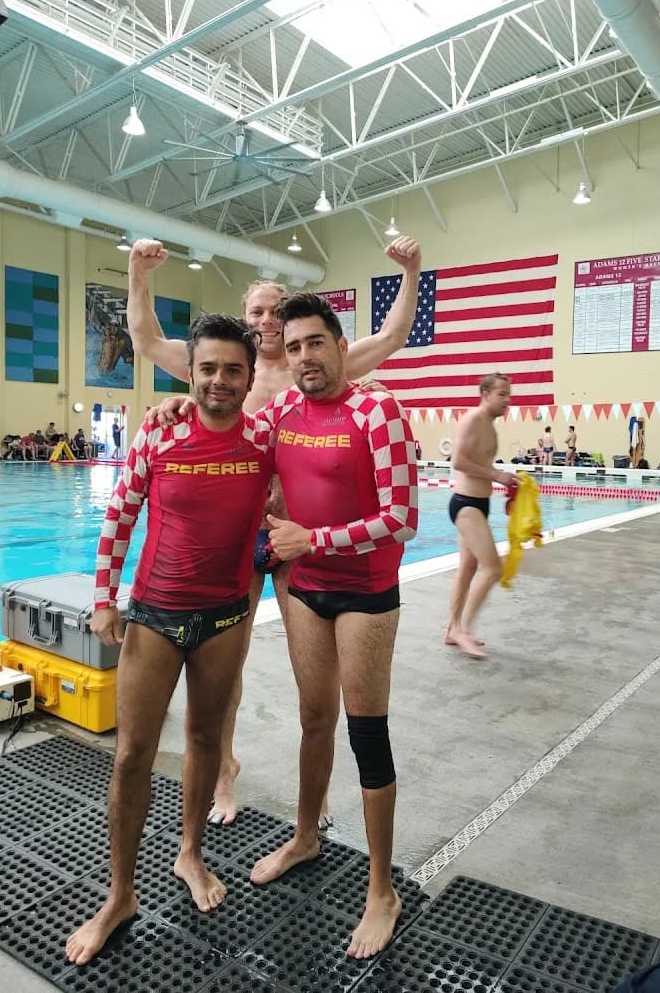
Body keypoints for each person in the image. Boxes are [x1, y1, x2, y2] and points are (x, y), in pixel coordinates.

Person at [126, 235, 421, 826]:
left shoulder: (310, 366)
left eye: (274, 309)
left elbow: (390, 337)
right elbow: (145, 339)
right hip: (242, 535)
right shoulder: (229, 369)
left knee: (310, 677)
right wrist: (138, 275)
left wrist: (411, 273)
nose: (266, 320)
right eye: (256, 311)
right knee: (224, 665)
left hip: (295, 541)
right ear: (245, 319)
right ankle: (225, 770)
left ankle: (313, 796)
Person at [65, 314, 274, 967]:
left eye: (231, 369)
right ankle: (120, 892)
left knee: (207, 740)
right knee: (131, 755)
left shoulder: (266, 439)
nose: (218, 380)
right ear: (191, 372)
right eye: (207, 368)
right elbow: (119, 516)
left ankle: (189, 851)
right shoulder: (160, 431)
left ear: (249, 376)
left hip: (224, 618)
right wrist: (104, 599)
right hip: (154, 614)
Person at [242, 292, 418, 960]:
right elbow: (237, 441)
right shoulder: (283, 409)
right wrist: (183, 409)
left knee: (364, 728)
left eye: (316, 342)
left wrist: (311, 539)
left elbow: (402, 518)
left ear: (342, 346)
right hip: (308, 592)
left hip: (366, 594)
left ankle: (381, 890)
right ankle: (306, 834)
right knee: (313, 718)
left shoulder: (380, 409)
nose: (305, 357)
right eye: (293, 347)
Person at [445, 374, 516, 659]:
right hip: (465, 504)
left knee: (468, 569)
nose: (508, 400)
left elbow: (480, 462)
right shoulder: (472, 419)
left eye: (509, 394)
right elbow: (458, 461)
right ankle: (464, 629)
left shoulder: (491, 426)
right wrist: (497, 475)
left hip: (479, 503)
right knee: (493, 568)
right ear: (485, 394)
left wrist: (504, 481)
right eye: (502, 394)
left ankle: (452, 628)